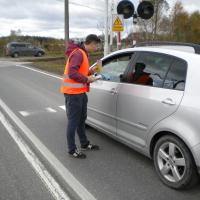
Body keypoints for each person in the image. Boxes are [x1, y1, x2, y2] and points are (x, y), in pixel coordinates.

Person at [60, 34, 101, 159]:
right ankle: (72, 149)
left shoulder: (83, 53)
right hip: (73, 94)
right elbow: (72, 73)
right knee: (73, 121)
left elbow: (79, 70)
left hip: (80, 92)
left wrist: (90, 72)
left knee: (81, 119)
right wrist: (87, 78)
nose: (96, 48)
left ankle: (84, 143)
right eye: (96, 45)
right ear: (91, 43)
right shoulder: (78, 53)